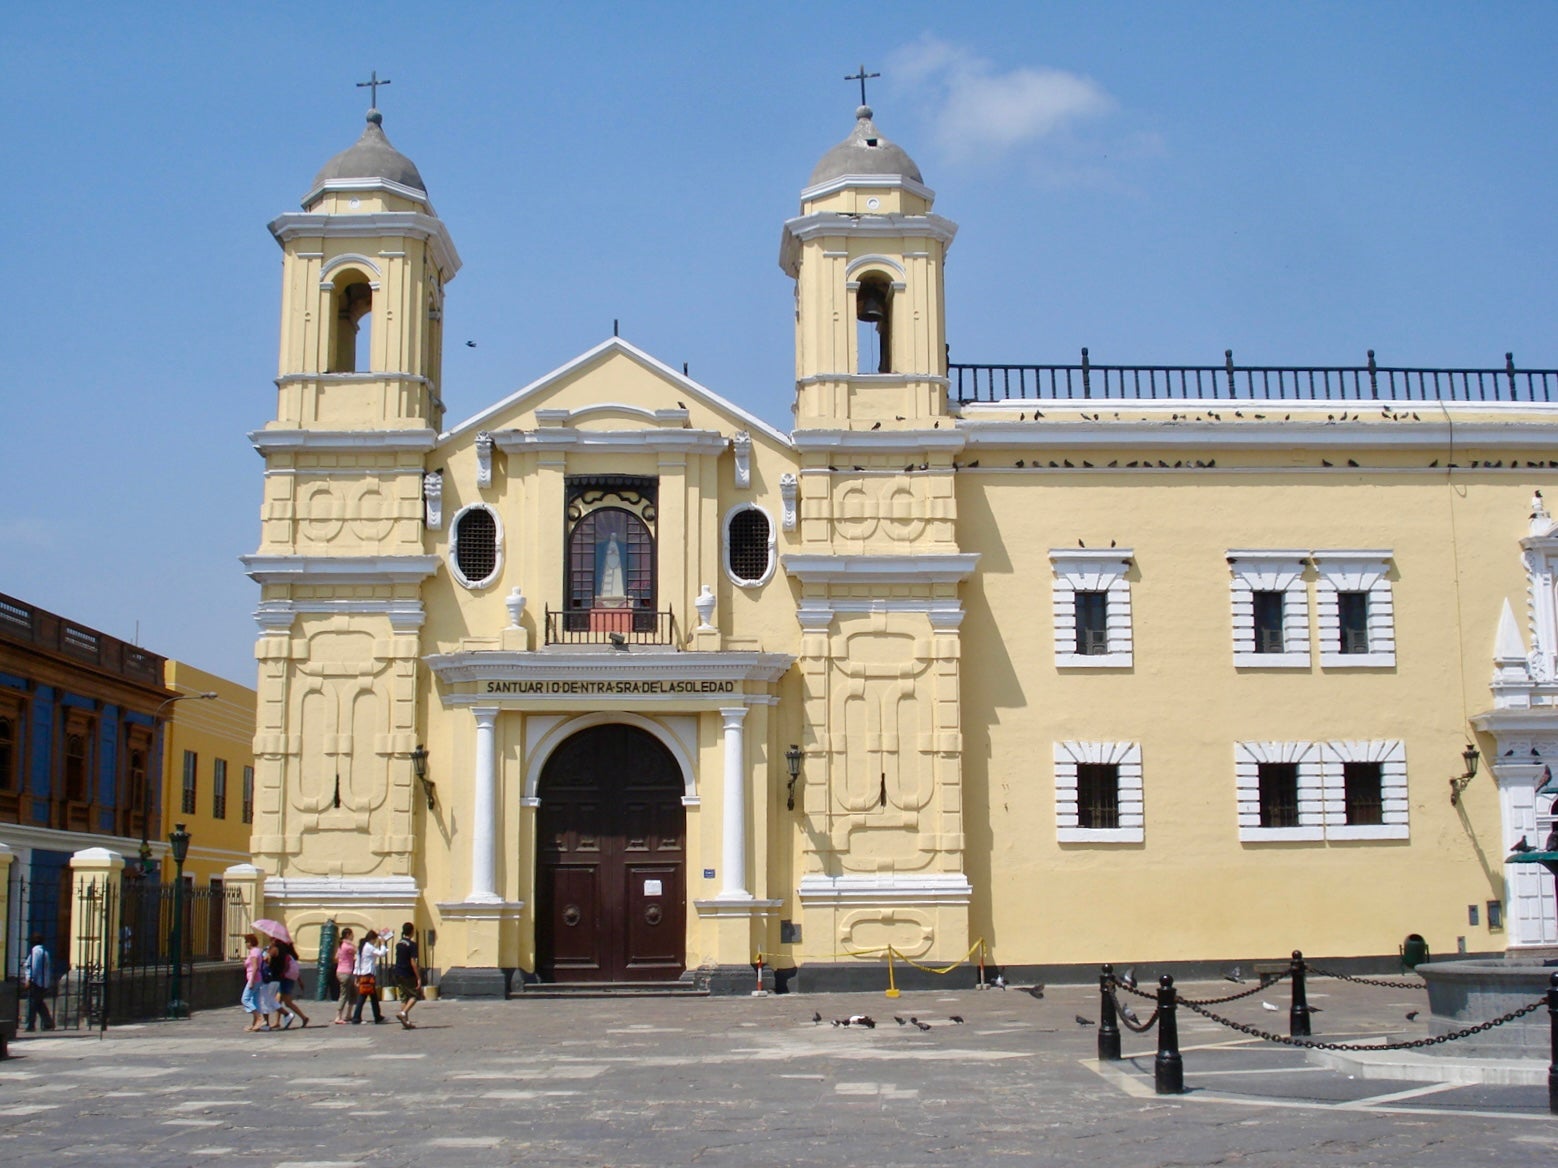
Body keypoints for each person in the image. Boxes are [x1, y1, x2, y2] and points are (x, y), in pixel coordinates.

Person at [351, 929, 386, 1024]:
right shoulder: (369, 947)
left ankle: (377, 1016)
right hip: (368, 974)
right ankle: (356, 1017)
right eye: (375, 940)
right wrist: (383, 944)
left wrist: (357, 975)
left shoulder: (362, 947)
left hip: (363, 973)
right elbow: (381, 953)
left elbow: (358, 962)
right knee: (363, 996)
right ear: (372, 939)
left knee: (373, 997)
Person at [392, 921, 423, 1029]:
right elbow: (413, 962)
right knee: (415, 995)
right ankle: (403, 1013)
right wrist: (418, 977)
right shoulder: (412, 945)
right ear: (412, 932)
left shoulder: (399, 943)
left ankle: (406, 1021)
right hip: (407, 973)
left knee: (404, 997)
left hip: (397, 972)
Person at [22, 934, 55, 1032]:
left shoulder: (36, 952)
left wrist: (29, 979)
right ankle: (48, 1023)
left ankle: (30, 1025)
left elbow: (34, 967)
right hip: (43, 981)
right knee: (39, 1003)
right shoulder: (44, 951)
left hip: (36, 982)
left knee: (32, 1004)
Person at [277, 940, 310, 1028]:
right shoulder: (291, 957)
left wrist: (280, 974)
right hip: (290, 979)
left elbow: (286, 968)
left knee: (287, 1002)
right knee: (278, 1001)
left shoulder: (285, 956)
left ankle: (303, 1017)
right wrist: (300, 981)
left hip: (285, 979)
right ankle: (277, 1021)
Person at [241, 933, 267, 1032]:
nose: (245, 944)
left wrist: (251, 981)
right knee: (255, 1000)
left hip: (254, 978)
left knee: (245, 999)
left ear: (250, 942)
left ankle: (259, 1018)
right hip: (257, 979)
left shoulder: (254, 952)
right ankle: (255, 1023)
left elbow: (255, 967)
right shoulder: (257, 951)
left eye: (246, 941)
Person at [333, 927, 358, 1024]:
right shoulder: (347, 946)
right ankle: (338, 1016)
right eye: (352, 934)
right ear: (348, 935)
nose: (353, 936)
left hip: (341, 971)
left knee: (352, 993)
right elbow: (357, 950)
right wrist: (351, 944)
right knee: (344, 995)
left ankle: (348, 1014)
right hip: (346, 972)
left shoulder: (340, 946)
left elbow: (336, 958)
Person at [259, 938, 284, 1030]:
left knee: (265, 1000)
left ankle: (266, 1023)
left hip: (270, 978)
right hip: (277, 978)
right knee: (270, 1000)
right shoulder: (283, 950)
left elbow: (267, 961)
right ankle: (284, 1016)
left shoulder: (273, 950)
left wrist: (266, 956)